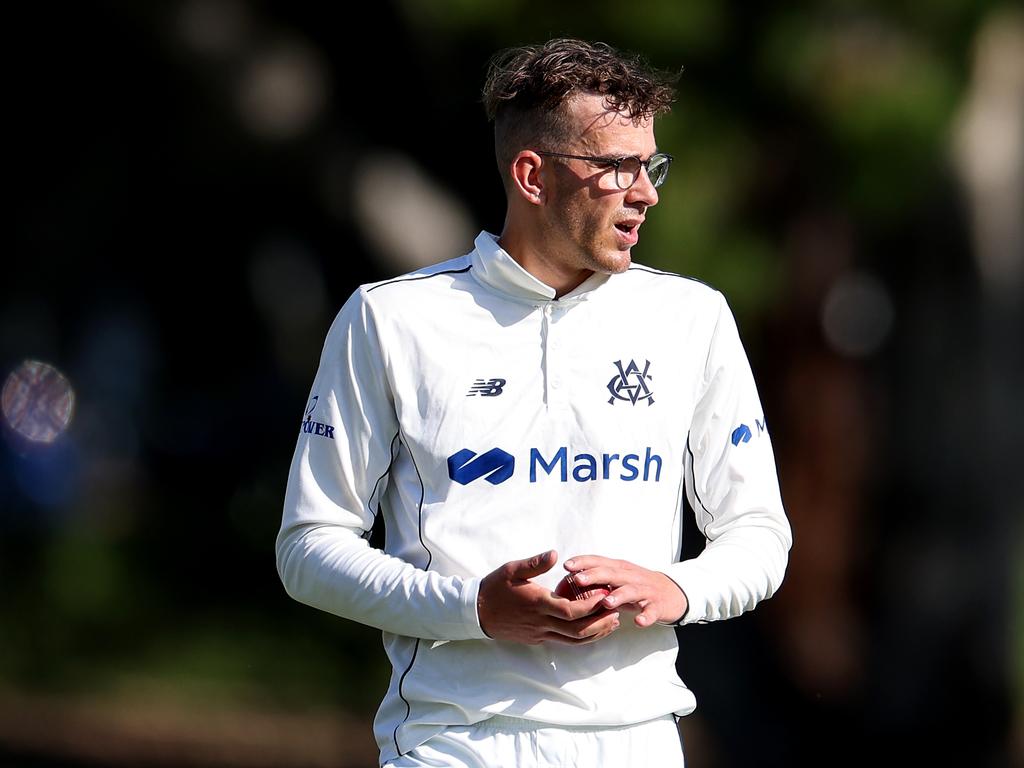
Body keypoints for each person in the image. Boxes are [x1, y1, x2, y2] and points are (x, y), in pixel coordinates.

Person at [277, 37, 792, 768]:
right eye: (617, 167)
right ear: (532, 175)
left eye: (651, 166)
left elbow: (760, 535)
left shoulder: (693, 317)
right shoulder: (390, 319)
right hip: (453, 744)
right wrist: (475, 610)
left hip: (638, 743)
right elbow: (307, 549)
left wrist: (673, 586)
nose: (645, 191)